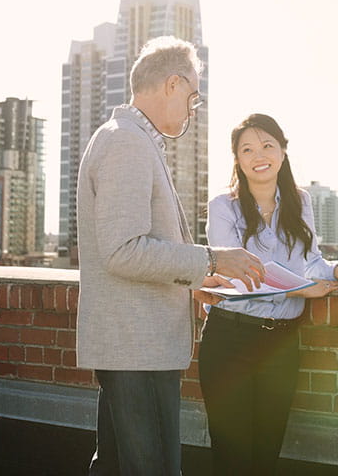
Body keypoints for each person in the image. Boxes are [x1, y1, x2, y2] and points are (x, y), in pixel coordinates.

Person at [76, 36, 266, 476]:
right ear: (173, 84)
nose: (192, 108)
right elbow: (123, 250)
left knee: (116, 466)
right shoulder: (126, 142)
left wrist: (193, 282)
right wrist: (212, 261)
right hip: (138, 349)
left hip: (130, 347)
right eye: (192, 96)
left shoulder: (126, 137)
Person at [198, 113, 338, 475]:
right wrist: (303, 289)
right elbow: (238, 278)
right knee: (232, 457)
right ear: (237, 159)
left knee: (266, 454)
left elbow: (312, 262)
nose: (258, 155)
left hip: (281, 343)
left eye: (267, 145)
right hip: (231, 338)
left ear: (282, 150)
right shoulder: (222, 207)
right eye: (247, 149)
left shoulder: (300, 202)